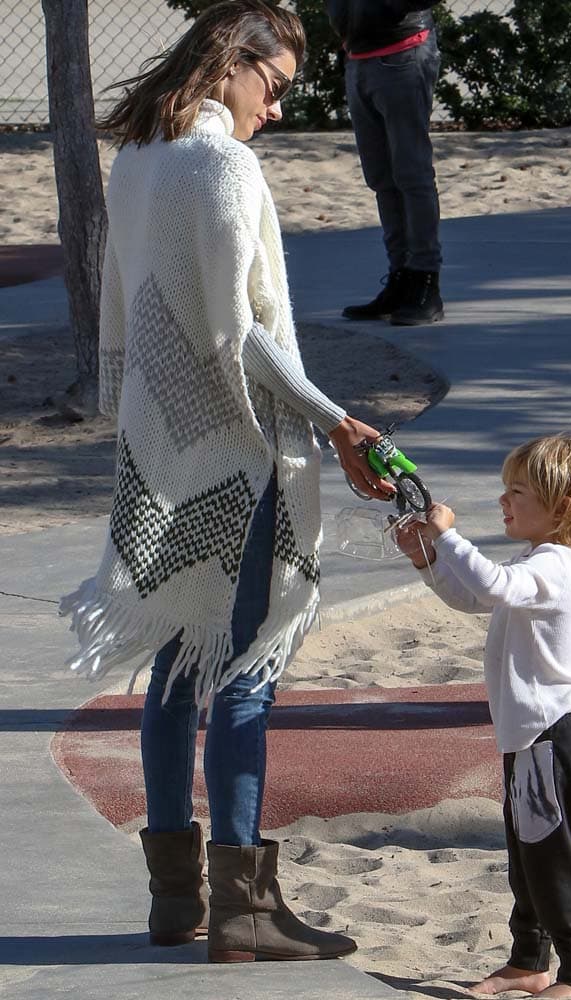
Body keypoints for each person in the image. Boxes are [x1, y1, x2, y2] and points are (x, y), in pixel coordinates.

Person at [60, 0, 394, 965]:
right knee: (243, 674)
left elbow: (133, 314)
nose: (277, 109)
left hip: (162, 451)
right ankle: (243, 905)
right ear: (229, 62)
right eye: (276, 86)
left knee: (177, 667)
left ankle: (177, 902)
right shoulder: (220, 165)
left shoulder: (138, 161)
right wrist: (338, 424)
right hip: (239, 457)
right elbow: (245, 336)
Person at [396, 428, 571, 998]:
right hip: (527, 735)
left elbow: (490, 586)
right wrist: (428, 560)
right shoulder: (535, 560)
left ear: (559, 506)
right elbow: (470, 597)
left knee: (554, 853)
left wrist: (451, 535)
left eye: (517, 492)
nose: (503, 501)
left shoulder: (560, 565)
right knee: (526, 852)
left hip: (554, 732)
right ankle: (528, 959)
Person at [325, 1, 443, 325]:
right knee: (381, 177)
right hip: (358, 56)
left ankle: (425, 281)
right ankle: (401, 276)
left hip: (404, 51)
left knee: (411, 173)